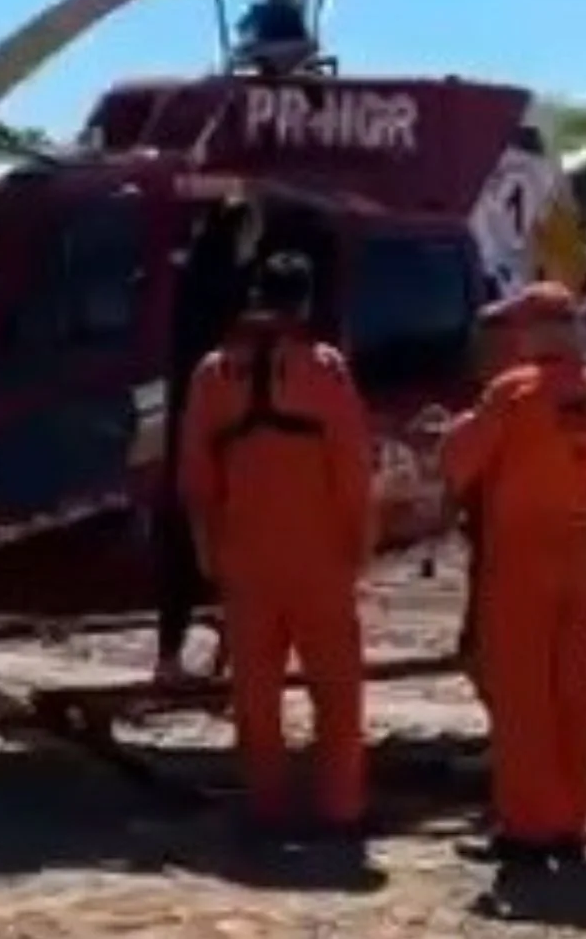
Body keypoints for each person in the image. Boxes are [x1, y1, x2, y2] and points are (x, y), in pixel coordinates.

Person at [423, 280, 586, 871]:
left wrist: (452, 429)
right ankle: (571, 819)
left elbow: (458, 462)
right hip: (581, 551)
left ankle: (526, 826)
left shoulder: (515, 392)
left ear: (540, 332)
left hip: (521, 555)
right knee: (575, 689)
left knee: (523, 694)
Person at [177, 250, 376, 835]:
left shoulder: (213, 373)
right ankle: (341, 807)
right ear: (305, 301)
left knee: (255, 694)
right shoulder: (325, 369)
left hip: (244, 557)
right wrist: (360, 545)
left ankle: (266, 805)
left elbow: (196, 478)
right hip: (320, 558)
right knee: (337, 691)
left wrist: (207, 550)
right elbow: (352, 469)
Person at [154, 201, 263, 685]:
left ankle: (170, 656)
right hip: (224, 428)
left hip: (180, 422)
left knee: (179, 549)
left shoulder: (179, 281)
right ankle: (234, 652)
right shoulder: (236, 292)